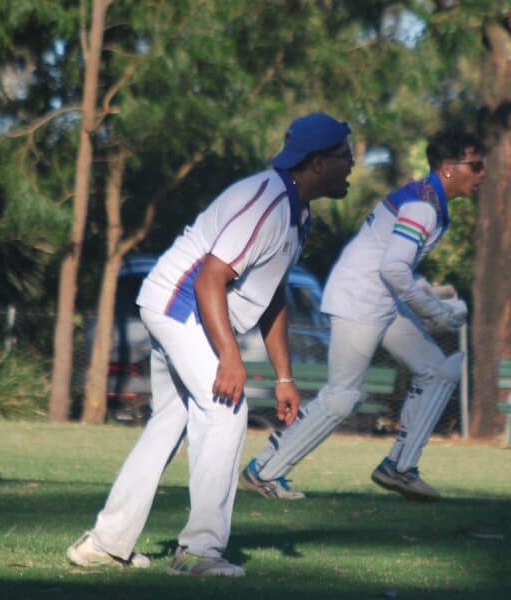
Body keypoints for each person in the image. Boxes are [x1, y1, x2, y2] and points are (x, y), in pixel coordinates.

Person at [66, 113, 355, 576]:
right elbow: (209, 279)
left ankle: (104, 542)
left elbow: (272, 295)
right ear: (317, 163)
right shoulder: (267, 199)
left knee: (169, 423)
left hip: (180, 309)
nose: (352, 163)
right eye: (344, 155)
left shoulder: (297, 212)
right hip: (179, 306)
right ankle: (199, 551)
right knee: (226, 409)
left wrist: (284, 376)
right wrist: (230, 358)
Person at [240, 130, 485, 502]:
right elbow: (393, 269)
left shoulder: (429, 200)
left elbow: (394, 265)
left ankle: (399, 468)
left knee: (440, 369)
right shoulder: (423, 206)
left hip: (383, 302)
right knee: (341, 397)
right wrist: (435, 313)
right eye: (476, 165)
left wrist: (433, 295)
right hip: (359, 300)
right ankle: (264, 471)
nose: (482, 174)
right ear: (450, 169)